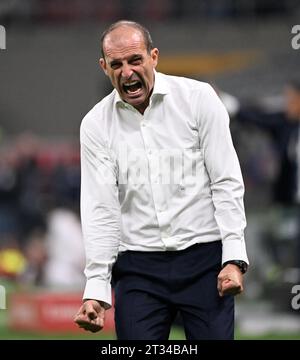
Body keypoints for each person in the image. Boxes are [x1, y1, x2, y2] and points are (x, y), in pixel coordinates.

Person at [74, 20, 249, 340]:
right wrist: (96, 288)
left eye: (135, 60)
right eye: (116, 64)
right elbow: (100, 208)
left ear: (154, 56)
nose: (127, 72)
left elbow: (226, 181)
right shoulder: (95, 126)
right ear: (104, 67)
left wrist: (234, 258)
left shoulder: (199, 99)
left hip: (205, 261)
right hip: (138, 270)